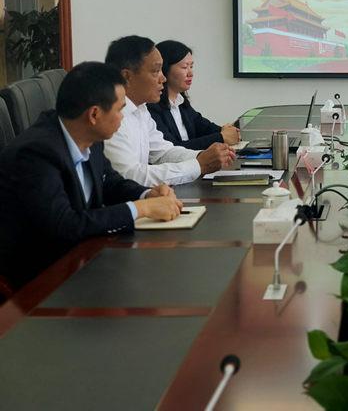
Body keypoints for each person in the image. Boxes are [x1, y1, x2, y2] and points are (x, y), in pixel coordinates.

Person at [0, 62, 183, 291]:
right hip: (41, 277)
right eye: (119, 110)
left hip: (83, 257)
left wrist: (147, 194)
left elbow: (110, 182)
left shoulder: (88, 136)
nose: (122, 118)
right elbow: (65, 225)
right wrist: (141, 209)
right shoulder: (36, 153)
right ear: (94, 114)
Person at [104, 35, 236, 187]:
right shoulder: (110, 117)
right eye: (156, 71)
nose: (163, 79)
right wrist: (199, 164)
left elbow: (163, 153)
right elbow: (131, 175)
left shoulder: (142, 110)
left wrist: (202, 156)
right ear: (127, 77)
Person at [148, 40, 240, 150]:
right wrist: (221, 137)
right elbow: (171, 149)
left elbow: (205, 127)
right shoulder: (152, 107)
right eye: (184, 67)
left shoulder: (180, 103)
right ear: (164, 69)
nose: (191, 73)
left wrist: (228, 131)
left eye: (191, 67)